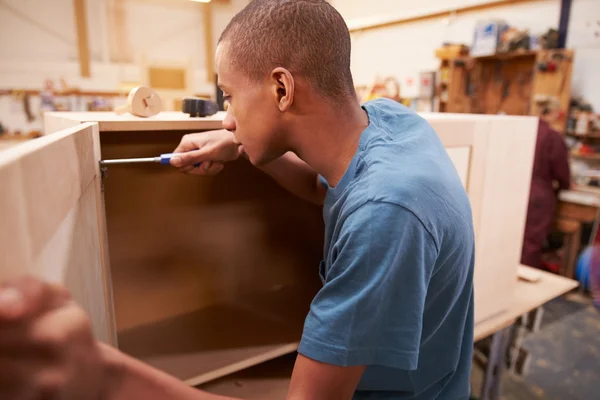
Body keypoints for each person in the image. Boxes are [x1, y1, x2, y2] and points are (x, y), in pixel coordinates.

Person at [0, 1, 475, 399]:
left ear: (282, 89)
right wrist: (251, 149)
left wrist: (106, 376)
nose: (226, 118)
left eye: (228, 97)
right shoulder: (391, 123)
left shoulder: (385, 213)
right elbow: (323, 188)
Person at [521, 117, 571, 269]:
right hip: (538, 196)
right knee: (531, 243)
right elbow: (561, 170)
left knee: (513, 239)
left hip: (516, 190)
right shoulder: (551, 136)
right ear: (553, 113)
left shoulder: (522, 132)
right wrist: (566, 185)